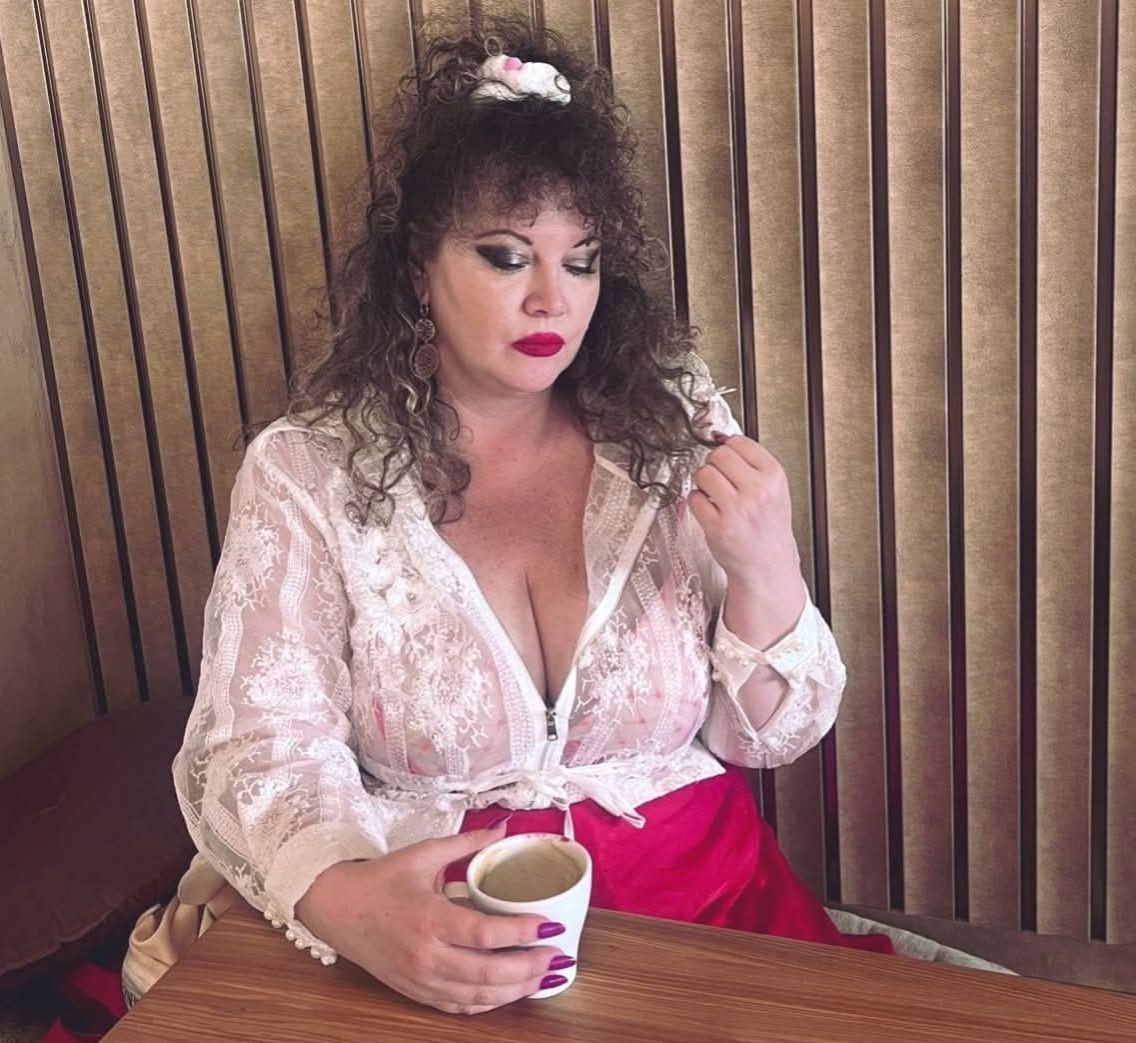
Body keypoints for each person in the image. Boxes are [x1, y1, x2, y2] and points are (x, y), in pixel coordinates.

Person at [172, 19, 893, 1017]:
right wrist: (349, 904)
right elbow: (262, 745)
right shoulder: (310, 472)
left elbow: (760, 738)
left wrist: (768, 568)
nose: (553, 298)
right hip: (442, 934)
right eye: (507, 256)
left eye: (581, 260)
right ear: (418, 268)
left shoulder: (667, 421)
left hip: (713, 921)